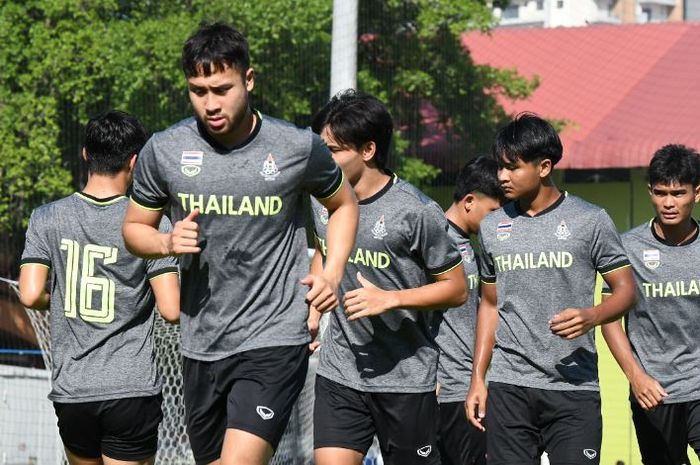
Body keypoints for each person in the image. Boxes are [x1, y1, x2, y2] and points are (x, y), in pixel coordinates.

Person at [121, 23, 358, 465]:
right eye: (198, 90)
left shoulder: (296, 147)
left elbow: (344, 204)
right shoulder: (164, 150)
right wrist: (166, 241)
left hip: (273, 336)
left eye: (221, 88)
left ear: (248, 80)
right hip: (200, 343)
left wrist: (332, 272)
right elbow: (134, 228)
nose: (210, 103)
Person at [465, 113, 636, 465]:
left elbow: (625, 291)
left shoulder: (590, 220)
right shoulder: (493, 226)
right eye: (500, 167)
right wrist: (478, 379)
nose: (501, 176)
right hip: (510, 384)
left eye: (512, 167)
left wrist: (593, 316)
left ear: (544, 167)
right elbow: (489, 305)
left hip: (573, 387)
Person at [309, 89, 467, 465]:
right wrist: (313, 313)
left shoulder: (416, 212)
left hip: (406, 378)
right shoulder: (319, 202)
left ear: (368, 150)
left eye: (332, 150)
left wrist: (391, 298)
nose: (322, 159)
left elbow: (457, 289)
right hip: (341, 371)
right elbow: (323, 252)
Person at [18, 110, 180, 465]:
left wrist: (61, 299)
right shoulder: (152, 224)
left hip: (73, 390)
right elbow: (170, 309)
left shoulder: (46, 217)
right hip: (131, 388)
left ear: (85, 154)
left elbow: (30, 294)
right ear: (135, 162)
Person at [601, 144, 700, 465]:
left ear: (696, 194)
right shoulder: (627, 248)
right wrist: (636, 377)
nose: (669, 203)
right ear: (650, 192)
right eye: (660, 193)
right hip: (653, 391)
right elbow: (610, 320)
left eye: (678, 193)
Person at [434, 156, 504, 465]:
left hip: (469, 387)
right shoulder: (433, 240)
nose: (498, 221)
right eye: (493, 212)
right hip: (443, 390)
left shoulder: (470, 246)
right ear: (469, 201)